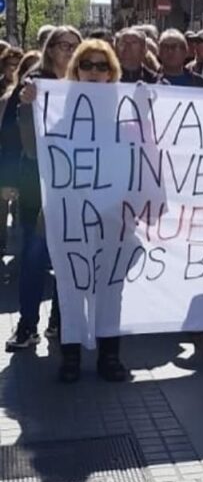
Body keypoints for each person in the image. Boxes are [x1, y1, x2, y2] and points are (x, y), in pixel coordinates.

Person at [23, 40, 128, 382]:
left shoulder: (127, 114)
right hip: (70, 216)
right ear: (76, 71)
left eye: (102, 66)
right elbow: (33, 149)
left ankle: (109, 356)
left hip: (113, 217)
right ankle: (70, 355)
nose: (94, 72)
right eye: (87, 65)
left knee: (111, 286)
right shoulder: (55, 112)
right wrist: (29, 108)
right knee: (70, 283)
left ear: (112, 73)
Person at [2, 26, 82, 352]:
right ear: (49, 50)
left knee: (68, 258)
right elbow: (8, 136)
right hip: (36, 183)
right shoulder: (31, 86)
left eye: (74, 46)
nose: (68, 51)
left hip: (76, 188)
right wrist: (6, 180)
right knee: (35, 256)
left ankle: (60, 322)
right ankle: (27, 325)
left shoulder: (89, 87)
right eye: (62, 45)